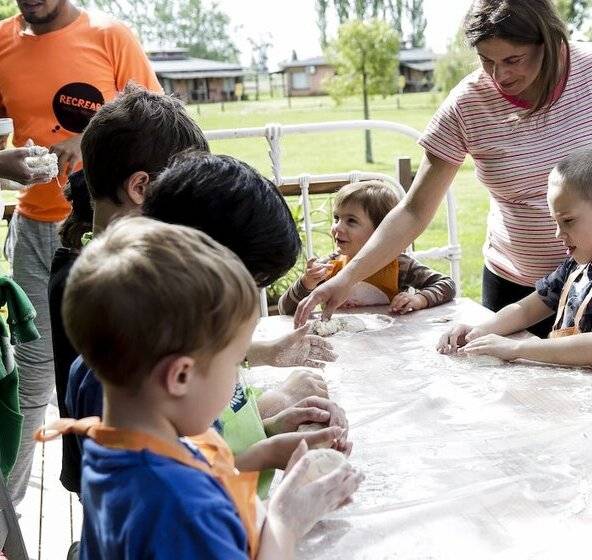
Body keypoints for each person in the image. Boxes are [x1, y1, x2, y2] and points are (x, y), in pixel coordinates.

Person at [293, 0, 592, 331]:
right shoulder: (467, 105)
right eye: (487, 61)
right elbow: (416, 209)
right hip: (515, 291)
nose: (499, 75)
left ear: (549, 40)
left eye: (513, 59)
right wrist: (347, 277)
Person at [51, 87, 337, 494]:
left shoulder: (147, 307)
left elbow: (206, 441)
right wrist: (269, 457)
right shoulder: (111, 312)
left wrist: (269, 427)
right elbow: (171, 488)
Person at [43, 217, 362, 559]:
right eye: (237, 362)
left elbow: (213, 488)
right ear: (180, 377)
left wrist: (270, 449)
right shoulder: (178, 502)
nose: (238, 378)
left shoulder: (116, 446)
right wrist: (287, 519)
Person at [0, 0, 162, 504]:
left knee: (126, 373)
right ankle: (8, 524)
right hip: (36, 231)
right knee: (30, 379)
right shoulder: (1, 44)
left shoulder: (111, 36)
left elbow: (162, 126)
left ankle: (125, 511)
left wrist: (88, 136)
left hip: (114, 230)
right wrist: (2, 163)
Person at [438, 144, 592, 373]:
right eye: (555, 221)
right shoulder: (575, 269)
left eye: (568, 221)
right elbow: (526, 310)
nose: (558, 234)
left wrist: (517, 348)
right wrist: (478, 331)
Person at [278, 180, 456, 315]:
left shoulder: (399, 265)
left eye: (351, 221)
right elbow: (285, 310)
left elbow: (446, 285)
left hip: (390, 348)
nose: (337, 228)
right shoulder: (329, 267)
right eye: (336, 218)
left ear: (381, 231)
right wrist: (306, 283)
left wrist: (419, 299)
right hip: (340, 349)